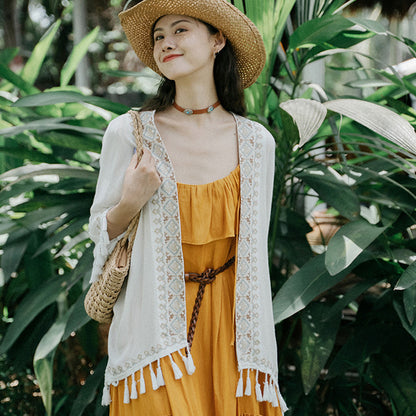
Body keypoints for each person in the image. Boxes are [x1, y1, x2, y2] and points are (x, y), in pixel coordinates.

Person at [88, 0, 288, 414]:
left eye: (180, 31)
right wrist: (131, 201)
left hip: (235, 336)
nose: (166, 43)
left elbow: (256, 257)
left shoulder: (257, 143)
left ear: (217, 39)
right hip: (155, 331)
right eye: (159, 36)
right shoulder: (129, 132)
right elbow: (100, 231)